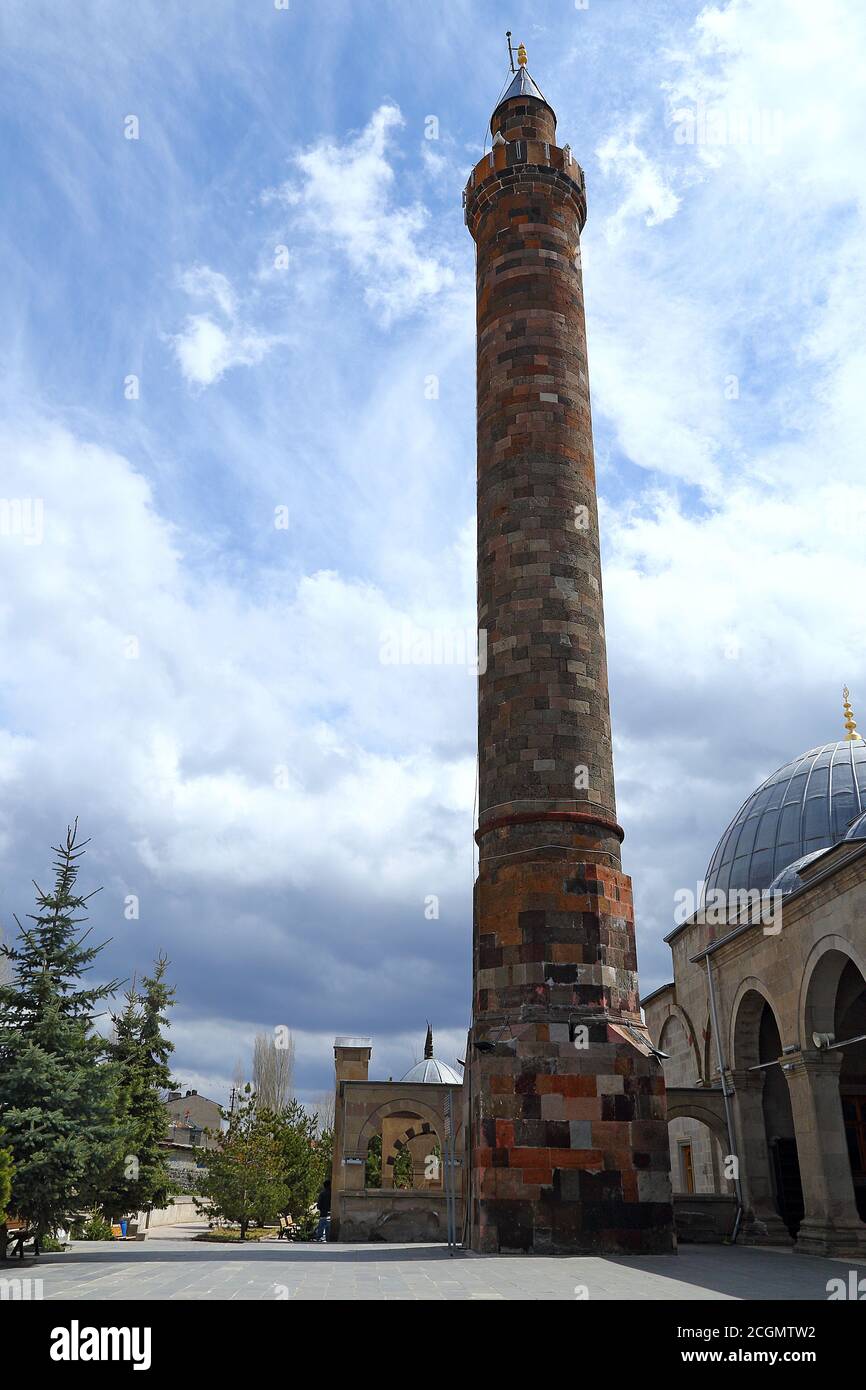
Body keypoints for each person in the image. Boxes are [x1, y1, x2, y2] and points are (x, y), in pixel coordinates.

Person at [314, 1178, 331, 1243]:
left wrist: (320, 1208)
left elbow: (319, 1204)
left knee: (321, 1226)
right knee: (328, 1227)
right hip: (330, 1212)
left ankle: (319, 1237)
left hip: (323, 1213)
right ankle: (328, 1238)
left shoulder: (322, 1193)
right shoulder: (332, 1193)